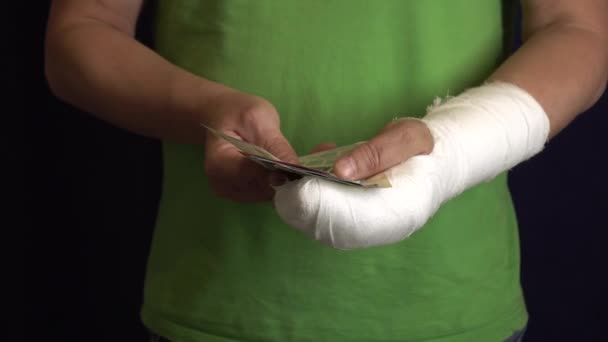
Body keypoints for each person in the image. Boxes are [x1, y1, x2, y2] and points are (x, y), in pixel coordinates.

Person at [45, 0, 608, 341]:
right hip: (219, 304)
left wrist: (450, 149)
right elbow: (82, 31)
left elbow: (577, 28)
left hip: (450, 306)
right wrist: (204, 113)